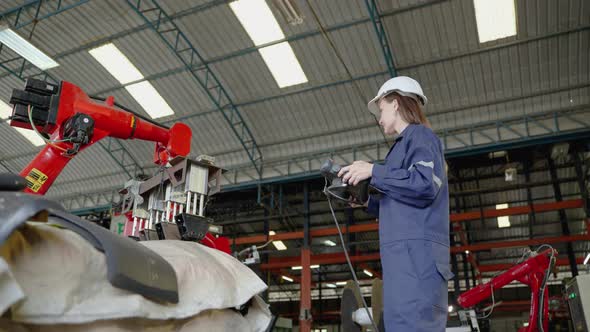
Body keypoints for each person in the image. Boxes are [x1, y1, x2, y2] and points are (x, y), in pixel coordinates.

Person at [338, 76, 454, 331]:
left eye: (381, 109)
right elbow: (396, 200)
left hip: (417, 264)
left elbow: (424, 184)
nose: (379, 118)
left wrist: (374, 171)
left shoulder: (421, 137)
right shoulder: (399, 151)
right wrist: (364, 198)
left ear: (395, 103)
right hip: (403, 265)